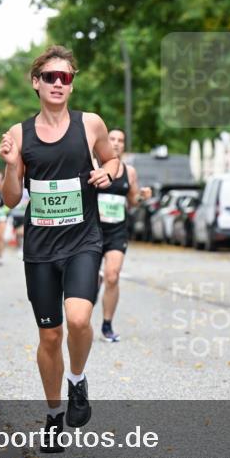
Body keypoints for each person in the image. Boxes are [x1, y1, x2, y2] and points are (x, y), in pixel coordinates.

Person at [0, 44, 120, 453]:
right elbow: (11, 199)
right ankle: (53, 415)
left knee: (79, 319)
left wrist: (106, 171)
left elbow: (113, 161)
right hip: (40, 249)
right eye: (50, 77)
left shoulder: (90, 124)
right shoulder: (20, 134)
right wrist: (12, 165)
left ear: (72, 84)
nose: (58, 83)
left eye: (65, 77)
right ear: (36, 83)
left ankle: (77, 380)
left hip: (83, 241)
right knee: (50, 336)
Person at [96, 129, 151, 342]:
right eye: (112, 139)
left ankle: (107, 324)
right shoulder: (95, 167)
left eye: (121, 140)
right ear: (105, 142)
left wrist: (143, 196)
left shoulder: (130, 171)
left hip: (117, 231)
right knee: (91, 281)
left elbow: (133, 201)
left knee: (112, 275)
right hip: (93, 231)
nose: (117, 143)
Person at [9, 187, 30, 259]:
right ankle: (20, 247)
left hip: (24, 214)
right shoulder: (14, 189)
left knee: (22, 232)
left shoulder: (27, 190)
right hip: (15, 214)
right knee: (17, 233)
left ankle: (22, 248)